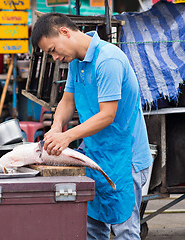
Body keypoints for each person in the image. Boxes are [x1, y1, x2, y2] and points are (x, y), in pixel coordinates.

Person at [31, 13, 153, 239]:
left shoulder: (108, 60)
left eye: (53, 50)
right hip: (95, 156)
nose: (55, 57)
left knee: (124, 231)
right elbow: (67, 100)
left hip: (125, 160)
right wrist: (56, 127)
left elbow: (107, 115)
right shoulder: (77, 61)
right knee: (93, 229)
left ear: (64, 32)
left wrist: (66, 137)